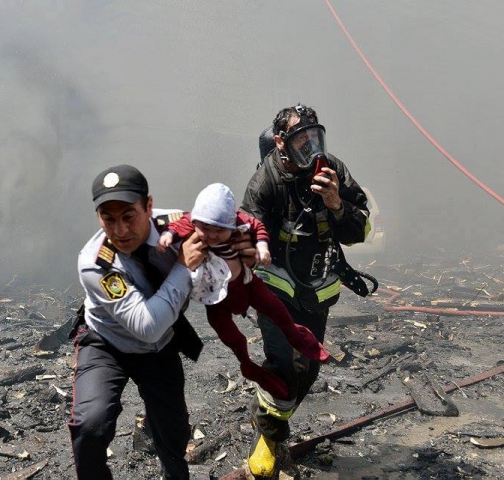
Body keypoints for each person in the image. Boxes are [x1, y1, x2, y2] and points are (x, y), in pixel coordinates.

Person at [70, 164, 256, 480]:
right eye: (108, 219)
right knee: (90, 424)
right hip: (107, 343)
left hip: (162, 346)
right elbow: (146, 326)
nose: (119, 230)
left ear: (150, 206)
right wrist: (183, 267)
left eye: (129, 216)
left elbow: (233, 243)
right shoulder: (94, 262)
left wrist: (243, 256)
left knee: (173, 433)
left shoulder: (184, 226)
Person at [241, 104, 371, 477]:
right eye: (301, 138)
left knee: (308, 370)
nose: (310, 146)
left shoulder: (333, 169)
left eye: (315, 136)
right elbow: (247, 227)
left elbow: (360, 231)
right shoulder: (266, 180)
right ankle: (267, 440)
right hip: (275, 283)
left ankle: (267, 419)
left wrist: (336, 204)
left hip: (317, 284)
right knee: (286, 363)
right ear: (280, 141)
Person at [157, 183, 329, 400]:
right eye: (205, 228)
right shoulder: (194, 221)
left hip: (247, 285)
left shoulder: (240, 221)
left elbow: (258, 227)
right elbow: (179, 225)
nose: (211, 235)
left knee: (278, 312)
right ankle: (249, 366)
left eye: (219, 230)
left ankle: (299, 338)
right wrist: (168, 236)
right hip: (216, 297)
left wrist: (262, 248)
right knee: (232, 337)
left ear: (230, 223)